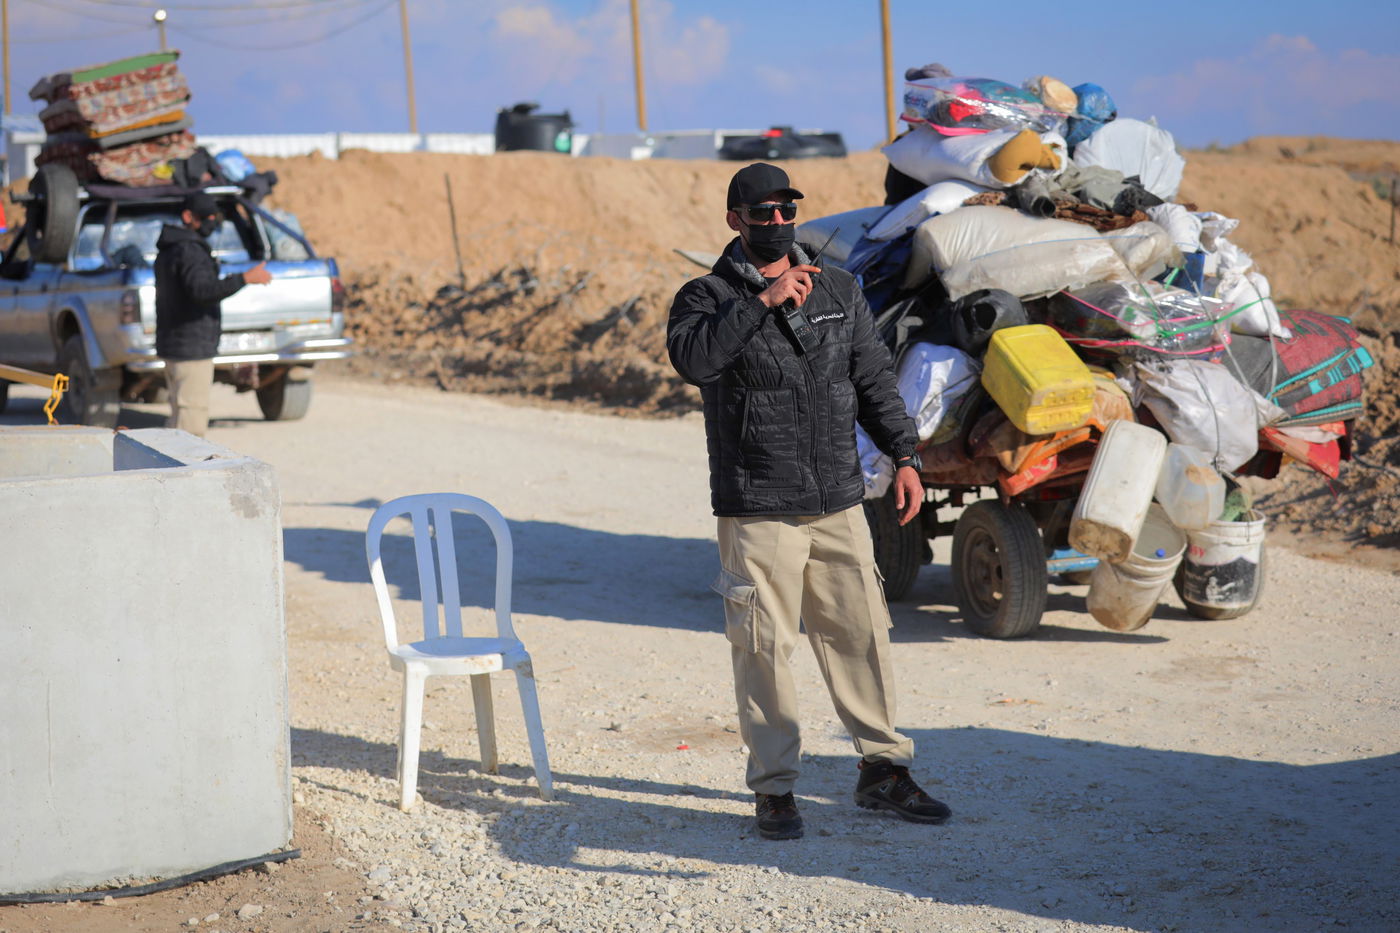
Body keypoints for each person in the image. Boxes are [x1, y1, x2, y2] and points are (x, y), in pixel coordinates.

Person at [667, 162, 951, 841]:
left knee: (862, 634)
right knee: (763, 648)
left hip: (837, 498)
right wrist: (761, 302)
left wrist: (906, 457)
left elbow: (874, 379)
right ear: (734, 220)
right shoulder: (705, 296)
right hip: (759, 502)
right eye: (761, 213)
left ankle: (883, 769)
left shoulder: (839, 289)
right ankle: (774, 790)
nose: (776, 222)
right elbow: (696, 362)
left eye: (785, 209)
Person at [154, 191, 271, 436]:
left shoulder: (171, 248)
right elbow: (203, 291)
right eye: (205, 217)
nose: (211, 222)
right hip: (190, 347)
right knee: (191, 424)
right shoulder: (189, 250)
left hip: (176, 343)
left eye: (213, 217)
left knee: (179, 416)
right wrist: (244, 278)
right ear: (188, 217)